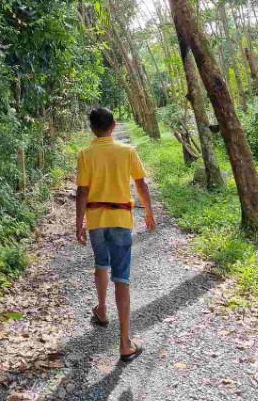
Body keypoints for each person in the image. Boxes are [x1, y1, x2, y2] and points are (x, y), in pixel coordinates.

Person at [75, 107, 156, 362]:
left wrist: (79, 222)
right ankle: (125, 343)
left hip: (96, 220)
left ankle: (102, 309)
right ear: (114, 124)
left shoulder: (85, 154)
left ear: (92, 129)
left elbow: (82, 191)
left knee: (101, 264)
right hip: (121, 219)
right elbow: (141, 185)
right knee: (122, 277)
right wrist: (149, 212)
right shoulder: (127, 151)